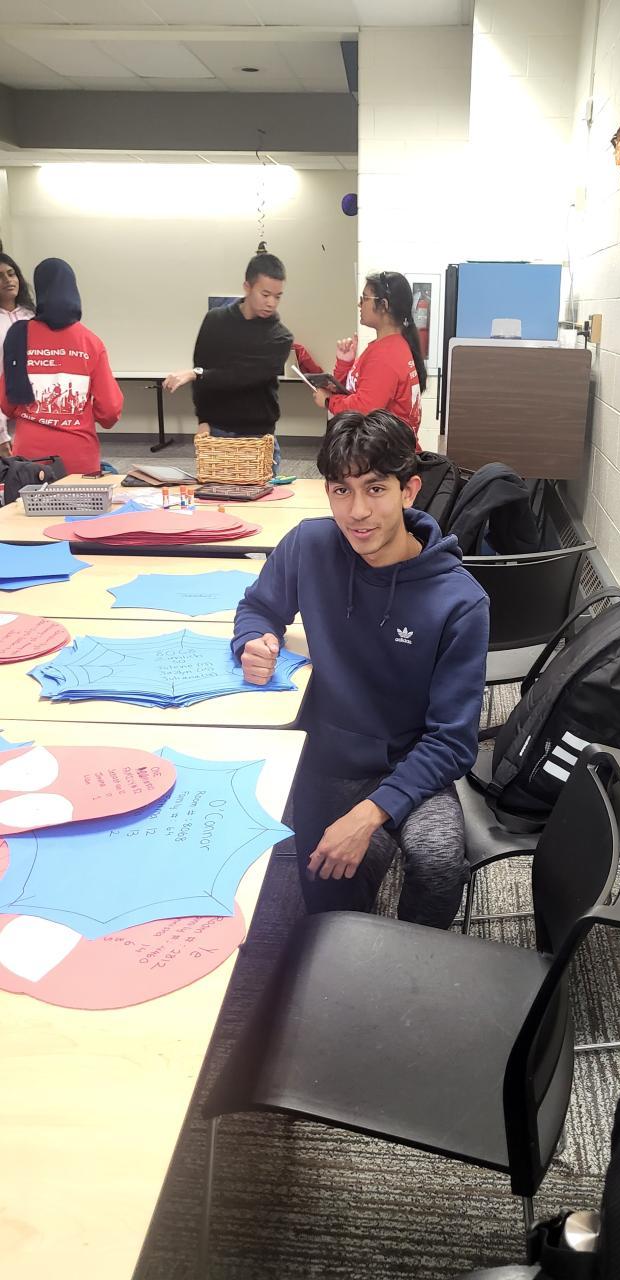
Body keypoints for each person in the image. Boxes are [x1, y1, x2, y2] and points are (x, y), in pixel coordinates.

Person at [233, 410, 489, 929]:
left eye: (375, 489)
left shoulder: (460, 602)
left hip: (410, 759)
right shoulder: (309, 546)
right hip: (327, 757)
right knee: (331, 906)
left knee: (439, 861)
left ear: (408, 490)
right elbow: (258, 607)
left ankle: (416, 953)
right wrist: (253, 640)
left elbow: (452, 741)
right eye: (341, 491)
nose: (358, 512)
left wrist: (371, 813)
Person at [163, 252, 293, 474]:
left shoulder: (280, 337)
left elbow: (243, 375)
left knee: (262, 496)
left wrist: (197, 374)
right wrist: (203, 420)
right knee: (214, 495)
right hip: (216, 431)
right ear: (247, 287)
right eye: (265, 294)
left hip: (257, 436)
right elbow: (202, 367)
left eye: (277, 296)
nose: (271, 303)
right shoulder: (215, 321)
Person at [1, 258, 123, 475]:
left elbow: (7, 404)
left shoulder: (19, 335)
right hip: (80, 454)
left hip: (30, 458)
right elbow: (110, 410)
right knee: (81, 498)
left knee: (28, 498)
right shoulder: (90, 341)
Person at [310, 271, 426, 443]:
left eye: (365, 298)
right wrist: (345, 363)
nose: (359, 304)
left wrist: (329, 401)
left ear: (383, 305)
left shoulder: (386, 355)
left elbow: (363, 410)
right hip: (383, 448)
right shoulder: (386, 346)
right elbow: (354, 392)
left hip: (384, 453)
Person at [0, 253, 35, 457]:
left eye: (11, 273)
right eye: (0, 276)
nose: (7, 280)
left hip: (30, 410)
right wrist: (1, 434)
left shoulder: (33, 317)